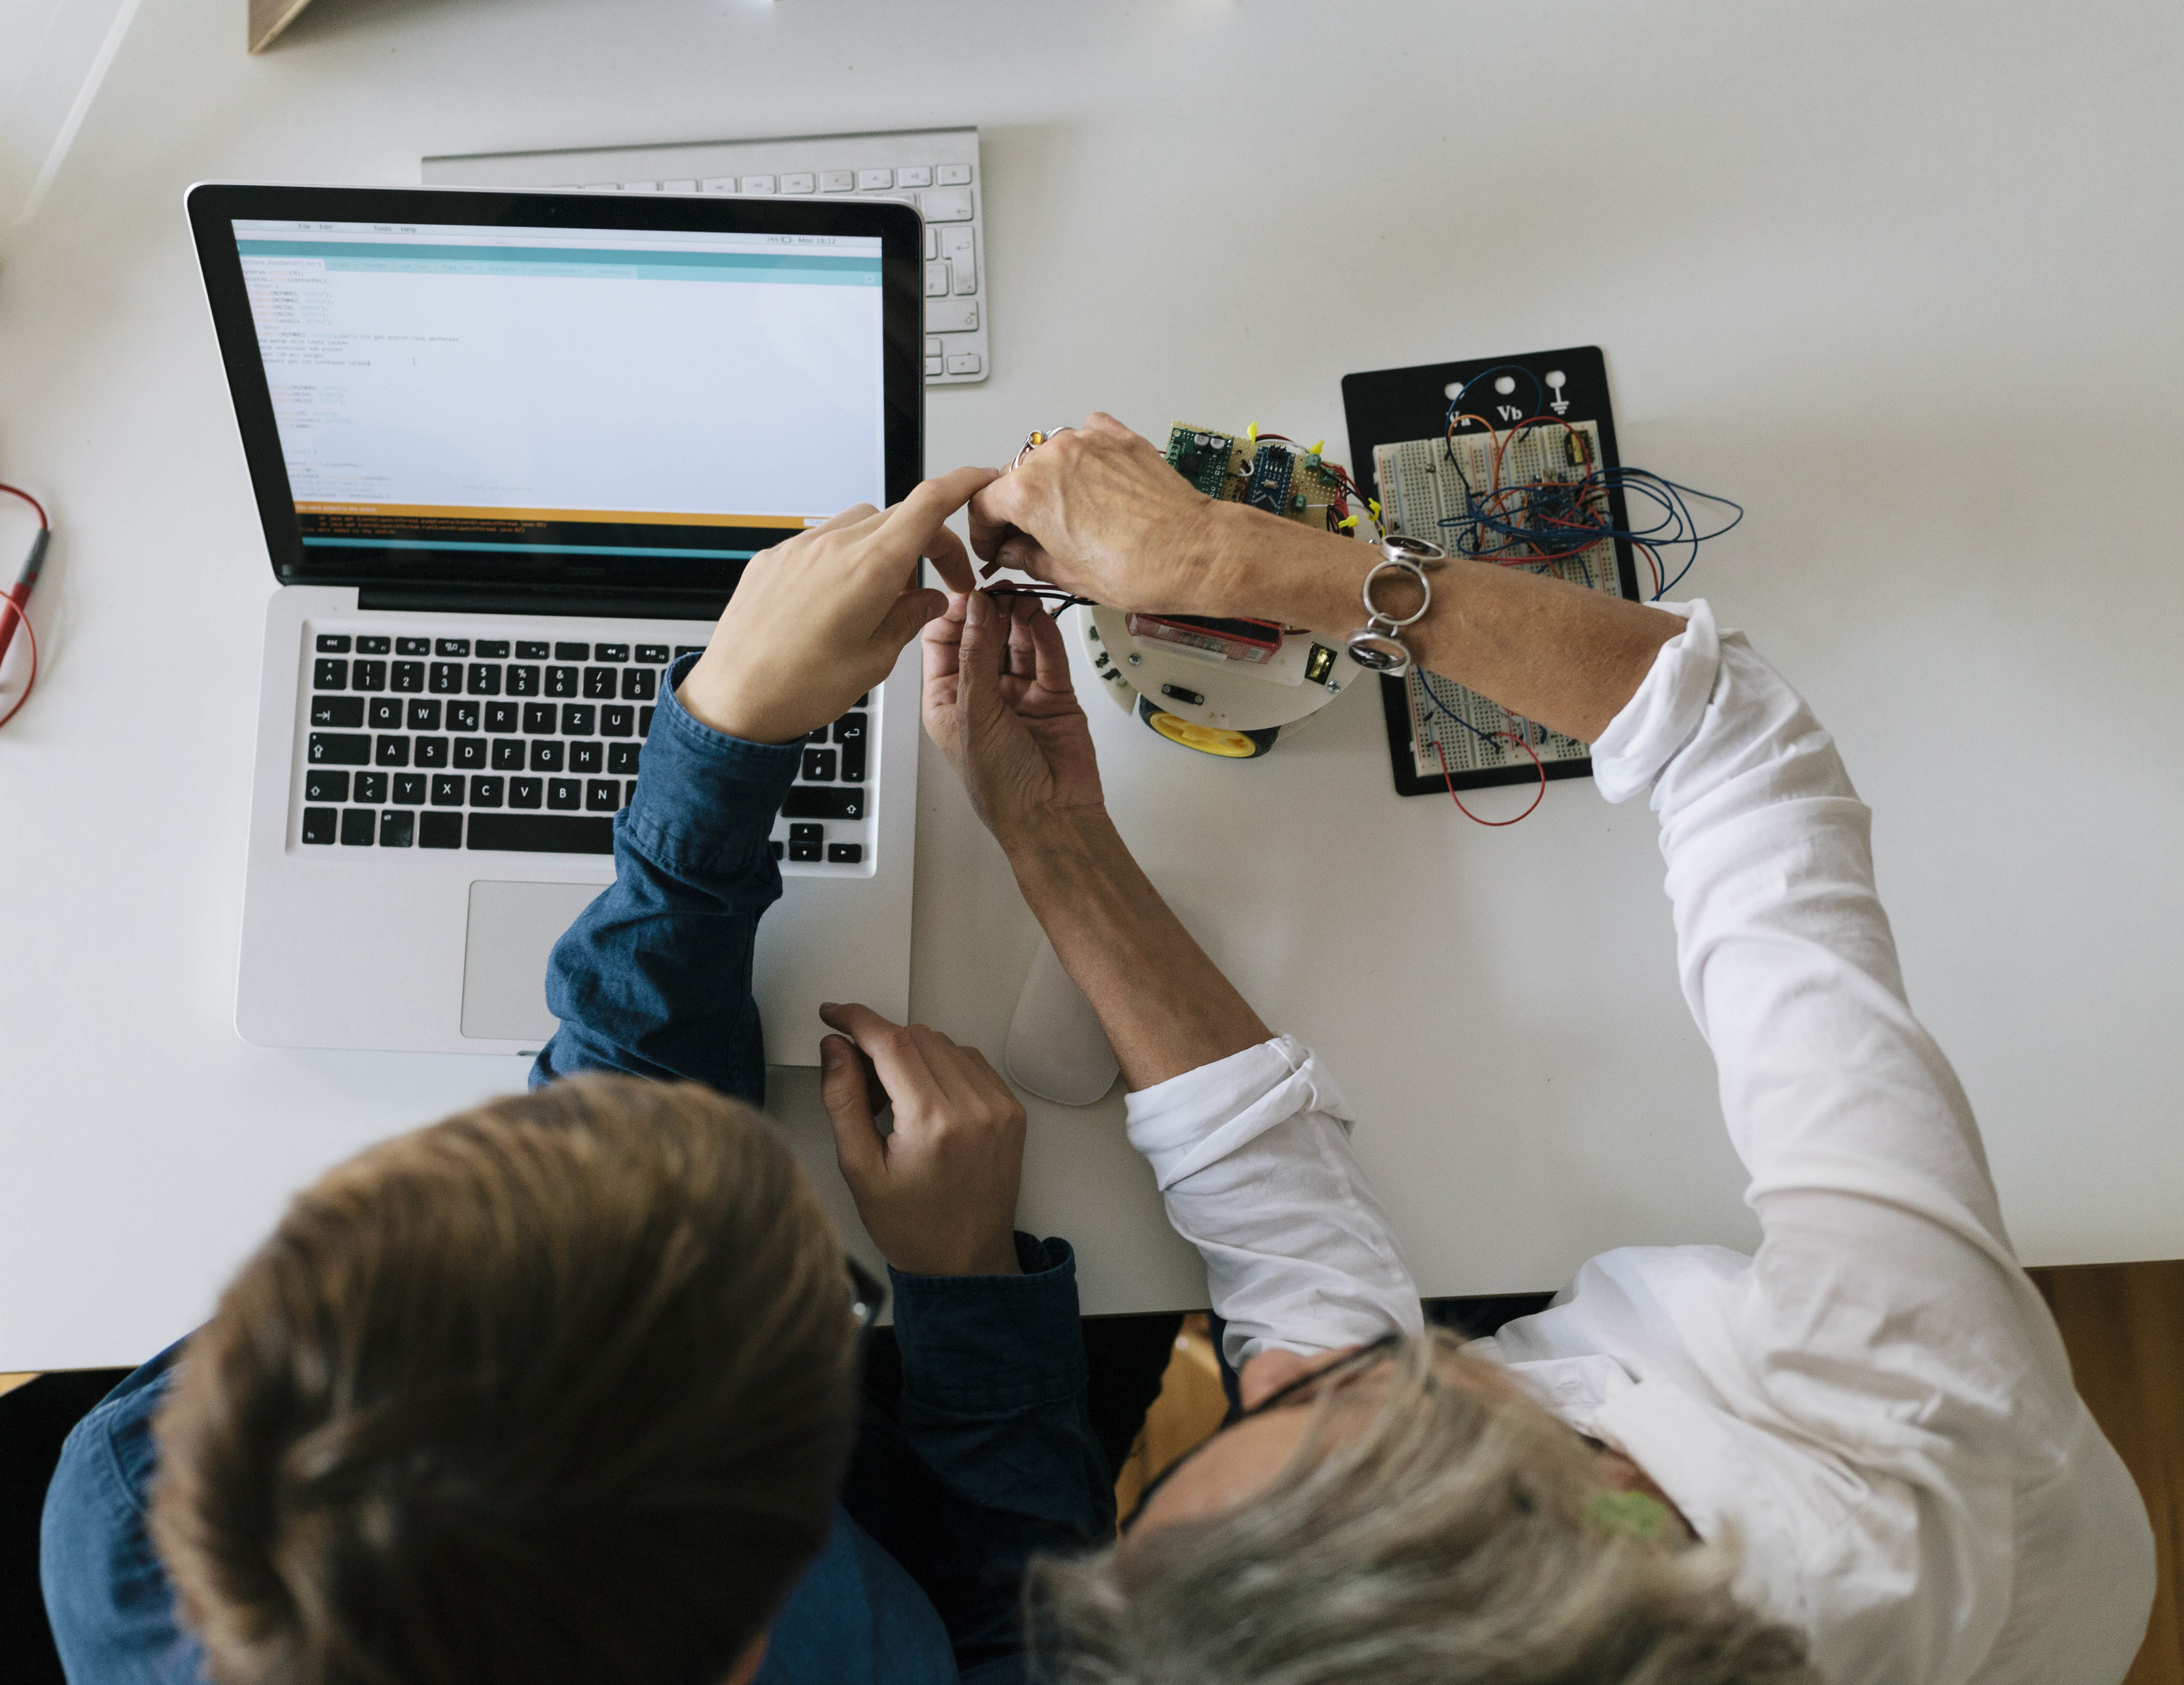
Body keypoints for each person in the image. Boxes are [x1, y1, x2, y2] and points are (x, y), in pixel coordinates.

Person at [911, 414, 2157, 1684]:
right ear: (1604, 1489)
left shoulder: (1530, 1583)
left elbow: (1302, 1280)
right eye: (1362, 1401)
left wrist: (1049, 831)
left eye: (1263, 1402)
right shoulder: (1906, 1391)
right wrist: (1236, 561)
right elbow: (1732, 732)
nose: (1282, 1353)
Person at [38, 470, 1127, 1685]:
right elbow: (1029, 1661)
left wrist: (727, 739)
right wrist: (967, 1290)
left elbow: (600, 1162)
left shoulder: (135, 1501)